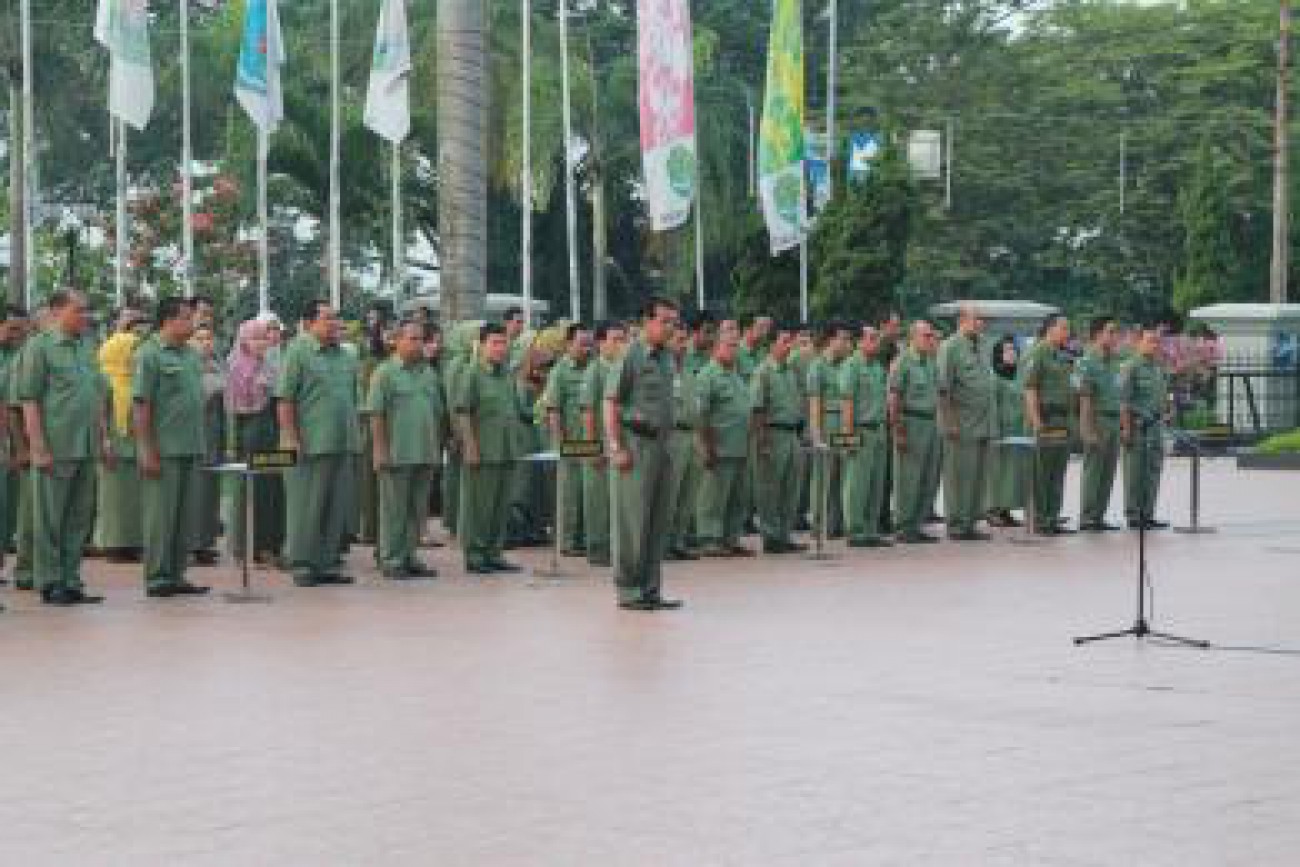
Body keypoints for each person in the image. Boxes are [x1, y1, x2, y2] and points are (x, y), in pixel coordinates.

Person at [18, 289, 110, 605]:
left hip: (85, 445)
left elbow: (95, 395)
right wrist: (38, 447)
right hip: (56, 445)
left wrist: (103, 437)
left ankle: (71, 580)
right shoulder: (39, 347)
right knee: (50, 518)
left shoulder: (87, 346)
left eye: (87, 311)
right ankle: (50, 581)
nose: (86, 316)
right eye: (79, 310)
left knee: (78, 519)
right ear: (57, 311)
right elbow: (29, 400)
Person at [603, 296, 683, 611]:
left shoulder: (665, 358)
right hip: (635, 447)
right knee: (632, 522)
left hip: (662, 447)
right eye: (664, 321)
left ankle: (650, 589)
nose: (670, 327)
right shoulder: (630, 356)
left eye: (673, 322)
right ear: (646, 321)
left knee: (656, 522)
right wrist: (616, 447)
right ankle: (628, 590)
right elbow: (610, 402)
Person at [277, 300, 361, 586]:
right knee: (306, 507)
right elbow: (285, 399)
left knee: (334, 507)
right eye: (327, 319)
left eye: (336, 319)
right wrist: (290, 438)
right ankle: (302, 562)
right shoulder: (298, 352)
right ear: (309, 323)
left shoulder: (346, 356)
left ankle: (326, 563)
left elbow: (352, 397)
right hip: (310, 444)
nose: (335, 324)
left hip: (341, 441)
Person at [134, 297, 210, 598]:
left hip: (190, 446)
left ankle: (177, 574)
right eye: (188, 318)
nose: (193, 324)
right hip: (163, 449)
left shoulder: (191, 356)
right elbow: (142, 406)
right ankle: (157, 577)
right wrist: (146, 448)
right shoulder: (149, 355)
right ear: (169, 320)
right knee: (160, 518)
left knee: (184, 517)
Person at [368, 321, 446, 579]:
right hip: (396, 452)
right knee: (394, 510)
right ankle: (391, 559)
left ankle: (410, 555)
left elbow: (437, 413)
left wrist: (438, 447)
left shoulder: (429, 373)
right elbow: (376, 415)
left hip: (424, 451)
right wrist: (380, 450)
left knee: (417, 509)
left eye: (421, 339)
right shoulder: (385, 373)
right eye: (412, 339)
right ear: (396, 341)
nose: (418, 344)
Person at [454, 323, 525, 575]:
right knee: (478, 507)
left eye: (503, 343)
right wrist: (471, 446)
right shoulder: (472, 373)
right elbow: (463, 412)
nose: (500, 348)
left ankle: (494, 553)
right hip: (482, 451)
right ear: (482, 345)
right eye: (494, 343)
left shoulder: (506, 374)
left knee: (499, 506)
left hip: (505, 449)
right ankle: (475, 555)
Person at [227, 318, 285, 564]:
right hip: (251, 433)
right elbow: (233, 410)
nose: (262, 343)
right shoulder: (237, 368)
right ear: (244, 341)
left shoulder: (271, 365)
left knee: (273, 490)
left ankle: (271, 545)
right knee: (253, 490)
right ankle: (249, 547)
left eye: (264, 337)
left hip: (272, 431)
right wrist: (232, 444)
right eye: (256, 338)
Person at [936, 303, 996, 541]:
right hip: (961, 422)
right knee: (959, 475)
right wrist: (948, 421)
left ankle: (971, 521)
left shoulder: (982, 345)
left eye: (982, 319)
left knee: (978, 475)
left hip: (983, 421)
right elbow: (943, 388)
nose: (981, 322)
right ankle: (957, 524)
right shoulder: (949, 347)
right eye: (976, 318)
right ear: (962, 320)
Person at [94, 306, 147, 563]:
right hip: (114, 443)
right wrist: (104, 441)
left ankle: (133, 541)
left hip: (134, 445)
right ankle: (113, 544)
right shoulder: (105, 378)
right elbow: (99, 412)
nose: (135, 356)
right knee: (113, 497)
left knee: (135, 495)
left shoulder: (136, 379)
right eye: (131, 352)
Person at [695, 328, 754, 557]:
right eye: (729, 345)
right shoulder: (707, 376)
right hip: (719, 447)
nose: (734, 350)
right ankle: (709, 538)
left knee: (737, 498)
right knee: (713, 498)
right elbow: (702, 415)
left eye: (736, 345)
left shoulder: (736, 376)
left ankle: (731, 538)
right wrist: (706, 446)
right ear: (715, 348)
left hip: (739, 446)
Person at [751, 324, 806, 554]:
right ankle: (771, 536)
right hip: (772, 434)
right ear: (772, 344)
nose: (789, 346)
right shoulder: (763, 372)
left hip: (791, 434)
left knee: (790, 488)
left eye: (791, 342)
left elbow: (798, 402)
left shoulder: (792, 371)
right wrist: (762, 441)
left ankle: (785, 534)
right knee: (769, 488)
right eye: (784, 341)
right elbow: (757, 409)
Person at [888, 320, 942, 544]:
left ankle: (916, 525)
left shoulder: (931, 362)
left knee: (927, 478)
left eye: (932, 336)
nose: (931, 340)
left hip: (930, 423)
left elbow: (937, 394)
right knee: (908, 478)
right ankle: (903, 525)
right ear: (913, 337)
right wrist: (898, 429)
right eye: (926, 336)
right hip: (910, 422)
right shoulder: (903, 362)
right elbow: (894, 398)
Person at [839, 325, 891, 548]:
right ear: (859, 342)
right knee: (856, 483)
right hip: (859, 429)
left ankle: (870, 529)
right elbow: (847, 404)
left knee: (876, 483)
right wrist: (848, 437)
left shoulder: (878, 368)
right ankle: (855, 530)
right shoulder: (851, 366)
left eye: (876, 339)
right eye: (871, 338)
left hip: (878, 430)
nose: (875, 342)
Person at [1023, 313, 1075, 535]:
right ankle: (1040, 520)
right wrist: (1036, 420)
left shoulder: (1063, 355)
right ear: (1050, 329)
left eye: (1068, 329)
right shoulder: (1038, 352)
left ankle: (1052, 518)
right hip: (1044, 419)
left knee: (1057, 474)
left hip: (1061, 421)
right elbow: (1030, 388)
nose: (1067, 333)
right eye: (1063, 328)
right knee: (1041, 475)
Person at [544, 323, 593, 557]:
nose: (587, 348)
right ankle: (566, 541)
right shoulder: (560, 371)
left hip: (590, 442)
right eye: (582, 344)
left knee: (588, 493)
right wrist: (559, 444)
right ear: (568, 344)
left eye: (589, 344)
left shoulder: (594, 367)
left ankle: (584, 538)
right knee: (570, 494)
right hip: (570, 441)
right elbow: (553, 409)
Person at [580, 321, 626, 567]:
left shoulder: (622, 368)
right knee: (598, 500)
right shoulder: (595, 371)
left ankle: (615, 546)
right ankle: (598, 549)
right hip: (600, 445)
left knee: (615, 501)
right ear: (601, 343)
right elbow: (588, 411)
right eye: (615, 339)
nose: (621, 344)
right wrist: (592, 449)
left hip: (618, 445)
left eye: (623, 339)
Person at [1120, 324, 1171, 530]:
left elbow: (1161, 396)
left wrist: (1167, 410)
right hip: (1138, 426)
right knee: (1135, 472)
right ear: (1138, 342)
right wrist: (1126, 429)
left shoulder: (1158, 367)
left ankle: (1148, 513)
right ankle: (1134, 515)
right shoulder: (1130, 367)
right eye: (1150, 341)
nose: (1154, 345)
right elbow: (1123, 401)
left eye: (1157, 341)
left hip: (1156, 427)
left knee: (1153, 471)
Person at [1077, 316, 1124, 532]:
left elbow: (1120, 394)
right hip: (1097, 419)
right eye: (1111, 332)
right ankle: (1087, 517)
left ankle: (1098, 516)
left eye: (1116, 332)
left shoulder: (1115, 361)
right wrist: (1087, 430)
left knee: (1108, 472)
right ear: (1098, 334)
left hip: (1114, 420)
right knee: (1094, 471)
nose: (1115, 337)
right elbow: (1084, 398)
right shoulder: (1087, 361)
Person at [807, 322, 852, 539]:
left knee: (844, 476)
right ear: (832, 340)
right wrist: (816, 433)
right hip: (827, 421)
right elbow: (815, 402)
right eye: (843, 339)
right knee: (823, 478)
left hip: (845, 423)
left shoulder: (847, 365)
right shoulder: (818, 366)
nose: (847, 344)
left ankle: (838, 524)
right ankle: (819, 526)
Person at [664, 320, 701, 561]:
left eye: (685, 340)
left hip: (691, 434)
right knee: (670, 494)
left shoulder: (689, 369)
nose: (683, 345)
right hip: (671, 436)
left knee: (688, 492)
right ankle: (663, 543)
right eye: (678, 340)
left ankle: (678, 541)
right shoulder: (661, 368)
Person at [189, 323, 226, 563]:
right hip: (193, 434)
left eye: (209, 338)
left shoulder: (218, 365)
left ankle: (206, 541)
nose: (205, 343)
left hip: (213, 434)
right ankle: (191, 542)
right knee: (195, 490)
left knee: (210, 491)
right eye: (200, 338)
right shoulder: (188, 367)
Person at [985, 335, 1028, 528]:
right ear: (998, 354)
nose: (1012, 353)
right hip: (1000, 433)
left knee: (1011, 475)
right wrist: (994, 432)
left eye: (1013, 349)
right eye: (1007, 350)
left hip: (1017, 432)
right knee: (997, 473)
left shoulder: (1019, 376)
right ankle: (992, 510)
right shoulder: (993, 377)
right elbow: (992, 407)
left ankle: (1005, 510)